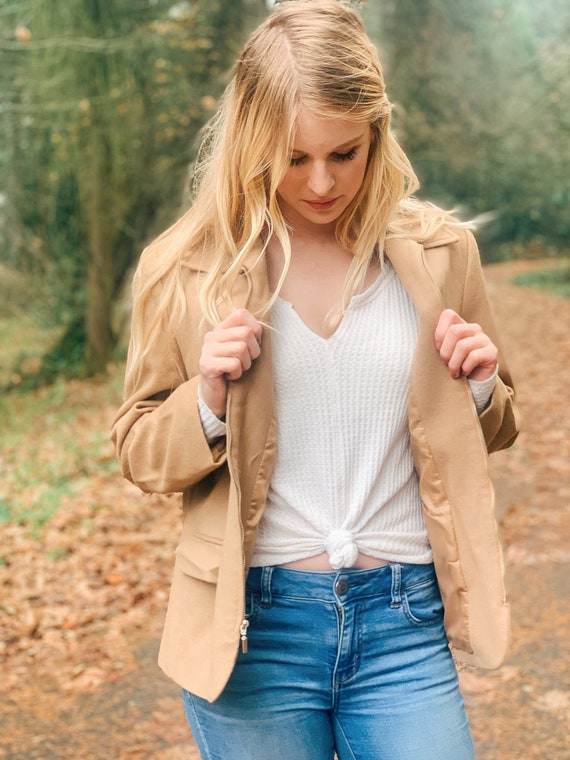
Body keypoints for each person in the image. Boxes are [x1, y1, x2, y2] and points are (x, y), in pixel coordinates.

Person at [112, 1, 520, 757]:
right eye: (294, 158)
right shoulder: (186, 268)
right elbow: (139, 448)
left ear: (377, 134)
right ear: (249, 141)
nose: (324, 182)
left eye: (346, 152)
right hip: (253, 629)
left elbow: (495, 427)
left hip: (403, 624)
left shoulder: (440, 253)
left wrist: (480, 386)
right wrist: (205, 398)